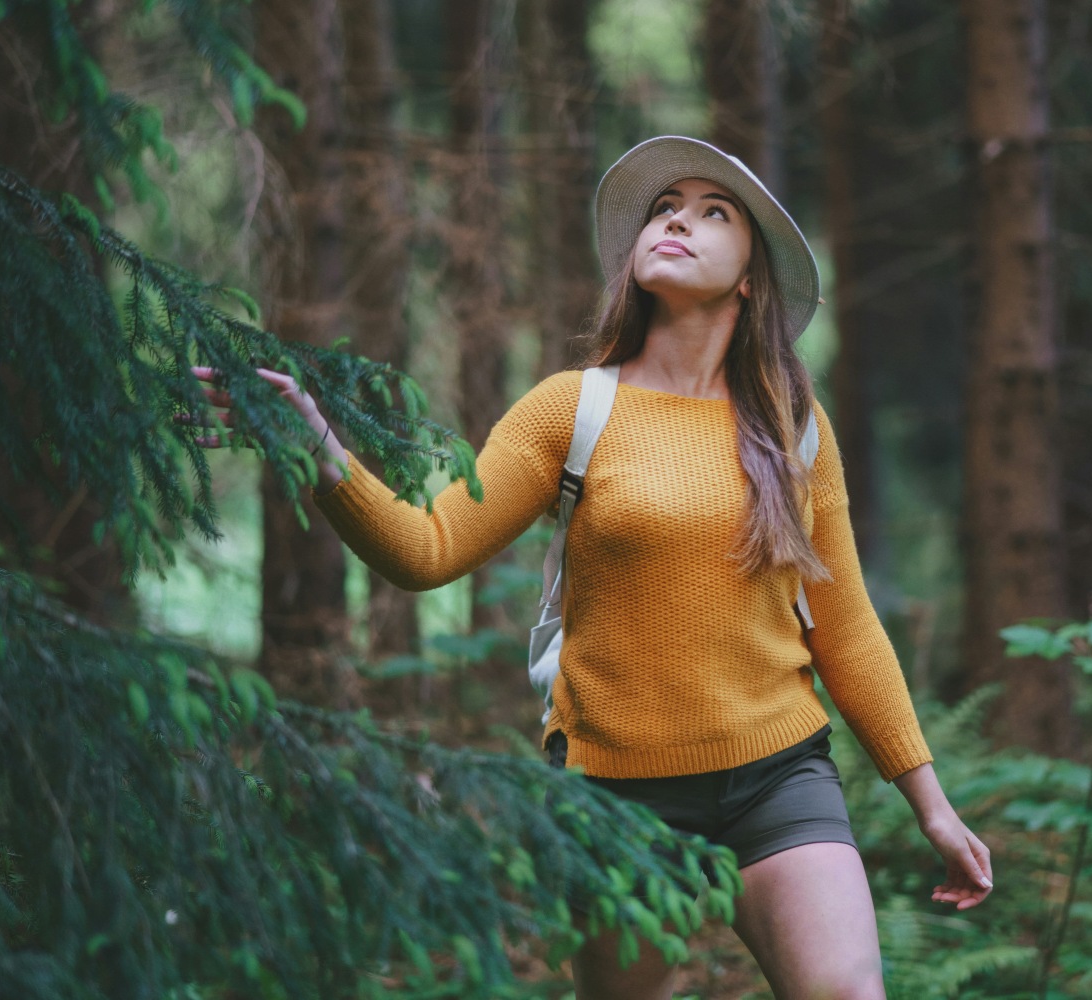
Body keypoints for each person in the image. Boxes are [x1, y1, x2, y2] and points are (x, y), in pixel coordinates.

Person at [192, 136, 990, 1000]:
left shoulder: (794, 425)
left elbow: (846, 626)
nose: (678, 218)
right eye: (664, 209)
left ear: (752, 278)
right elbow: (426, 552)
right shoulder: (572, 409)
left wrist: (932, 805)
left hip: (778, 775)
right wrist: (320, 447)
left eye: (712, 212)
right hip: (618, 795)